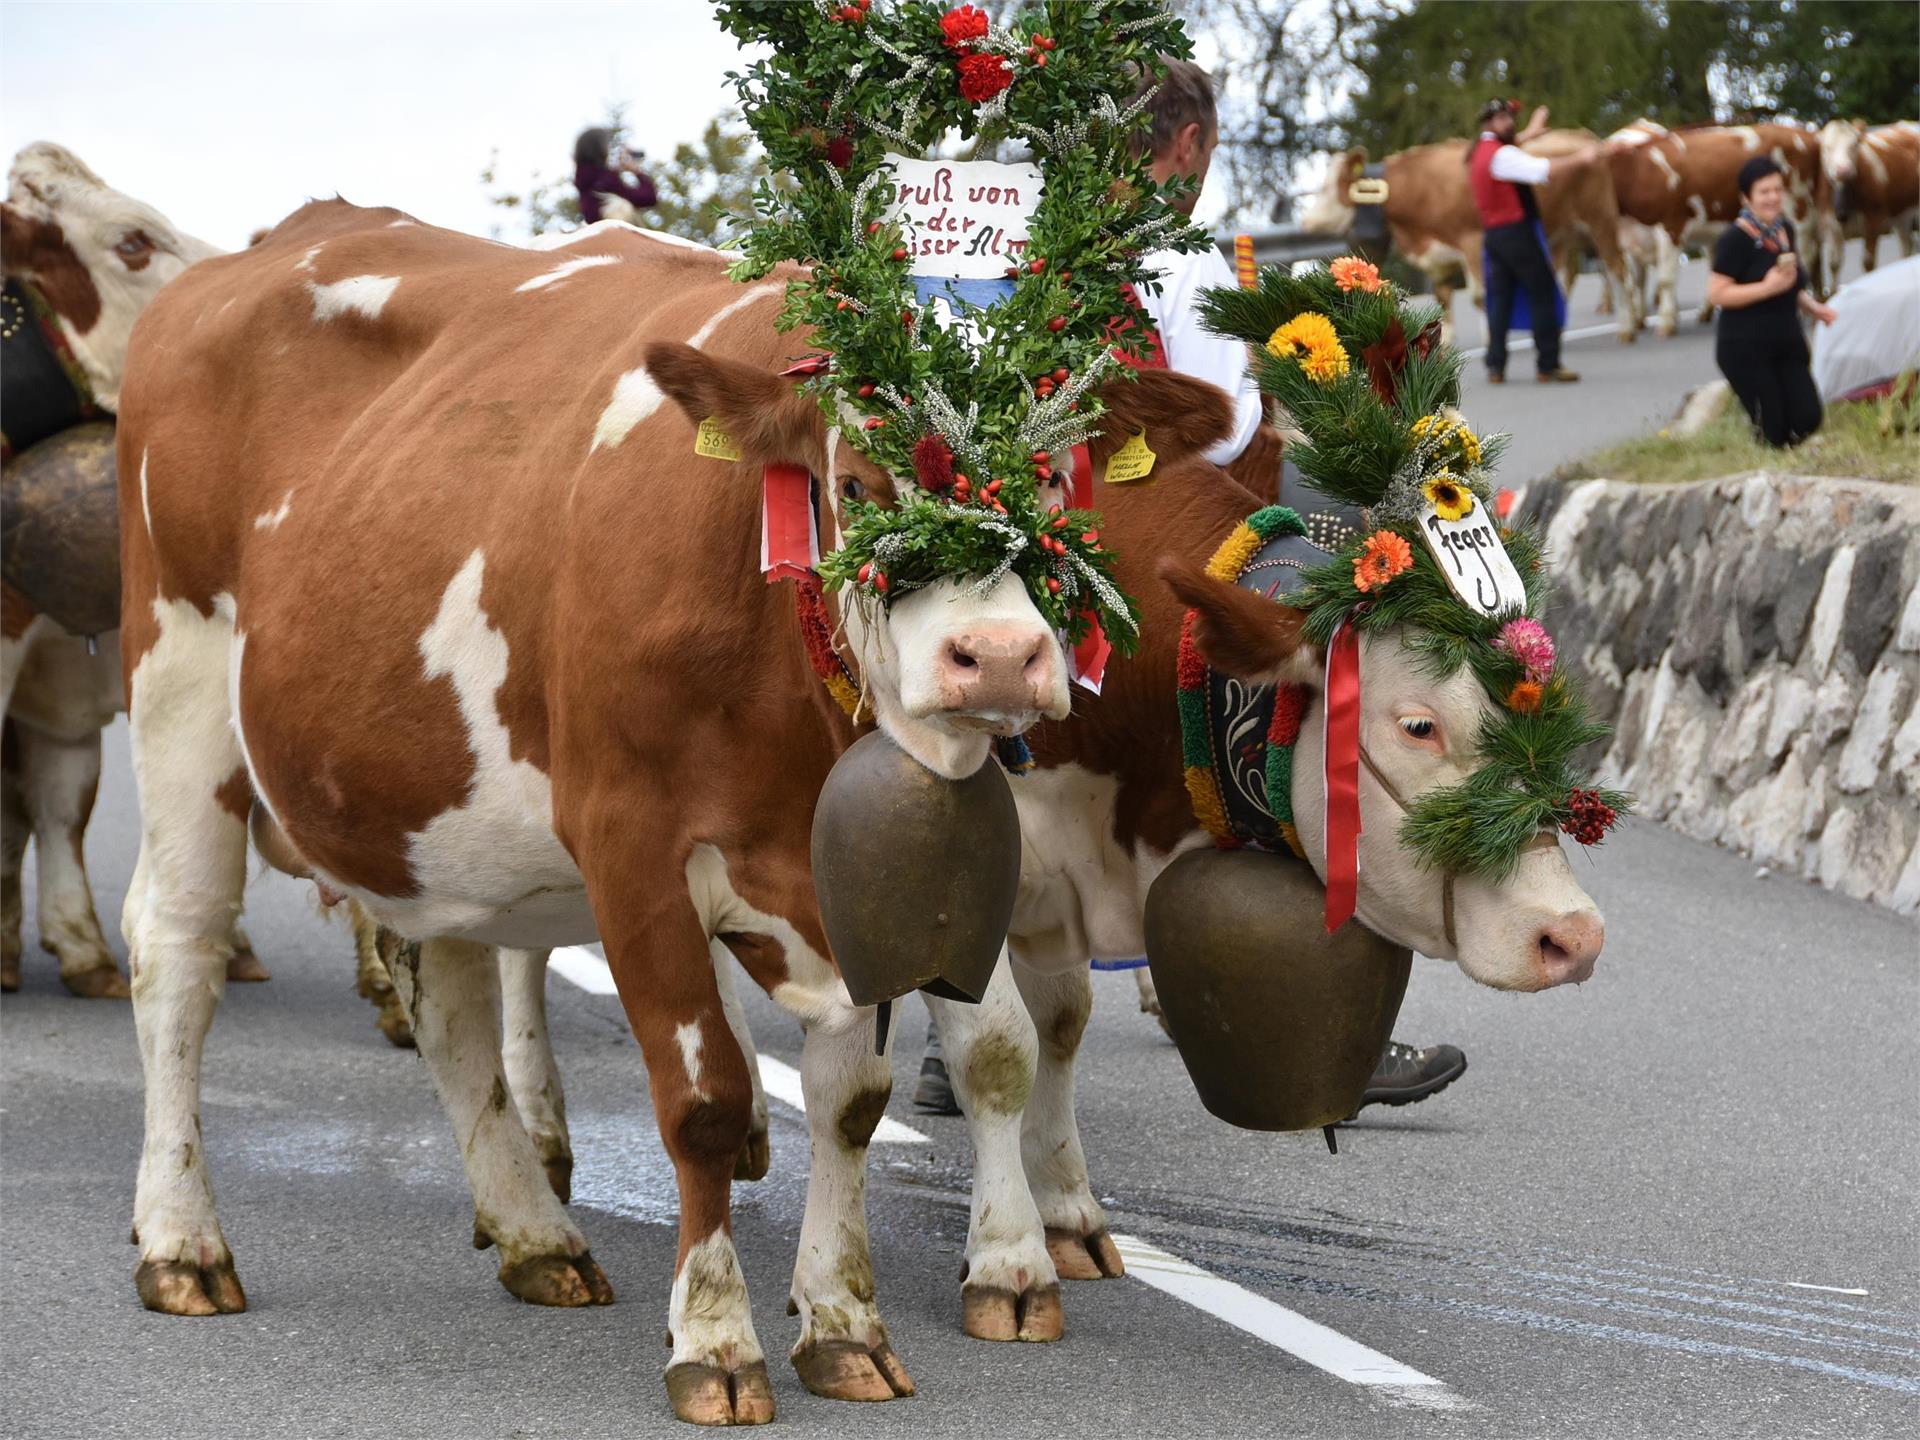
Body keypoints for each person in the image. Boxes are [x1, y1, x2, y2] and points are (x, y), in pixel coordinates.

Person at [913, 57, 1468, 1120]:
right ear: (1189, 146)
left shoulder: (1001, 234)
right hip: (1136, 573)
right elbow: (1232, 425)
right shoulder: (1168, 257)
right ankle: (1318, 1023)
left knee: (988, 774)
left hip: (986, 556)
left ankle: (961, 1035)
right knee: (1261, 750)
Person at [1468, 98, 1605, 385]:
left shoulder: (1480, 150)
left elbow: (1512, 146)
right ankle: (1548, 364)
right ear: (1490, 122)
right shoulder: (1502, 155)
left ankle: (1496, 366)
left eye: (1510, 118)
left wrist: (1532, 131)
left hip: (1494, 236)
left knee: (1500, 301)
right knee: (1542, 293)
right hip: (1516, 233)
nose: (1510, 123)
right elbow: (1541, 170)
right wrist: (1581, 158)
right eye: (1504, 118)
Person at [1707, 156, 1836, 447]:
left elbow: (1788, 284)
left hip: (1785, 342)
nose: (1773, 197)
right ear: (1746, 198)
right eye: (1765, 192)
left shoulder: (1784, 230)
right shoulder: (1734, 239)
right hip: (1745, 348)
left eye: (1778, 190)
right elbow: (1717, 294)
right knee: (1773, 429)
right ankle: (1770, 472)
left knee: (1807, 418)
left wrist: (1815, 308)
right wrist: (1766, 288)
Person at [572, 126, 657, 226]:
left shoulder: (583, 178)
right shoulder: (606, 180)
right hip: (616, 237)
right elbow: (647, 198)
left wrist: (614, 172)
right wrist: (636, 171)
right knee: (622, 207)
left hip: (594, 236)